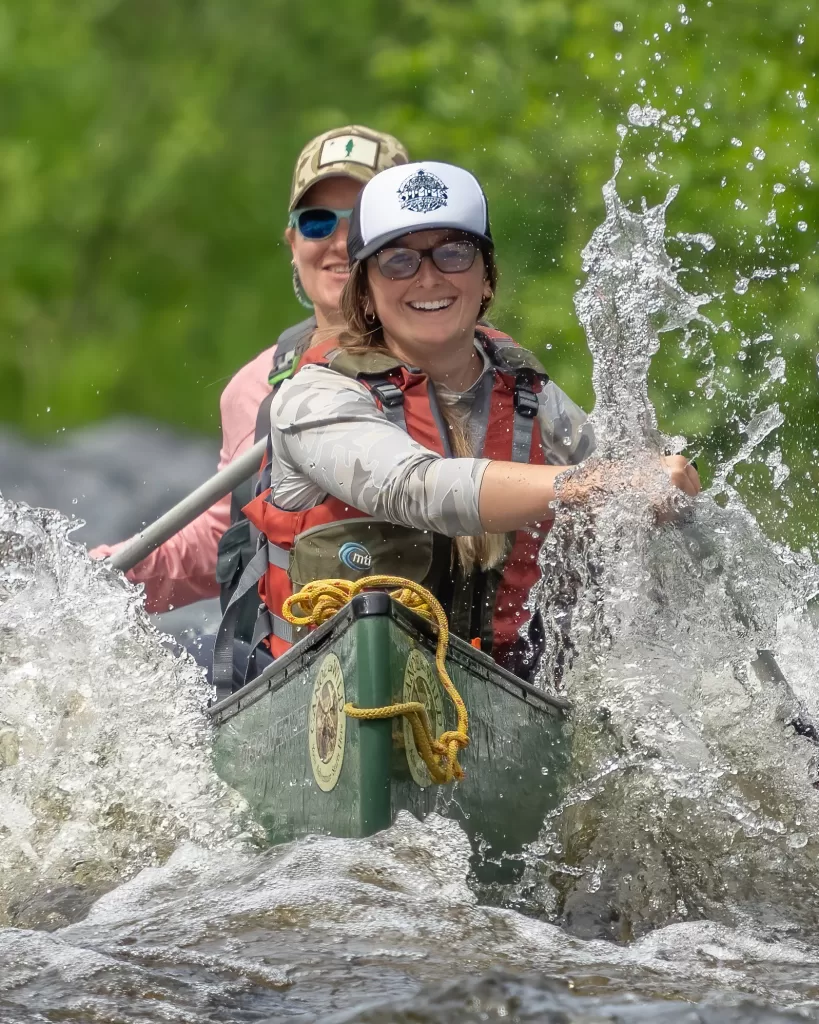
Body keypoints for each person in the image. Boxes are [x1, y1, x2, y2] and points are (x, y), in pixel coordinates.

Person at [236, 161, 700, 680]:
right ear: (364, 290)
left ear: (486, 278)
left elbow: (625, 491)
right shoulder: (313, 397)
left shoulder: (534, 399)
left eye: (453, 253)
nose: (429, 276)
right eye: (397, 260)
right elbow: (413, 487)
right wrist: (593, 484)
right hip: (335, 692)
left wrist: (657, 495)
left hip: (499, 692)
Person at [91, 126, 410, 658]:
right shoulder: (255, 387)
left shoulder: (453, 359)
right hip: (301, 666)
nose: (338, 242)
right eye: (316, 222)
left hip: (440, 648)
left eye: (362, 223)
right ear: (293, 243)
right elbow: (225, 538)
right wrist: (99, 576)